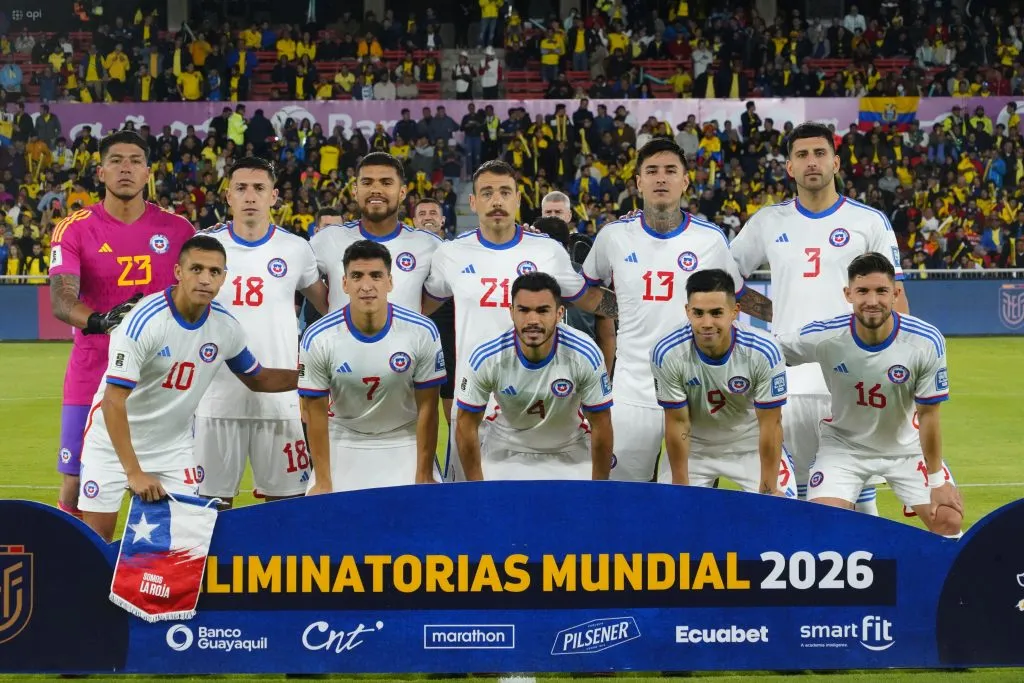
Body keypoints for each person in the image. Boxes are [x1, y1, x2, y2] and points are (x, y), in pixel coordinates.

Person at [730, 122, 908, 515]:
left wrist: (900, 367)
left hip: (853, 375)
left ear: (835, 162)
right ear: (789, 167)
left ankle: (870, 571)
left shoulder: (869, 221)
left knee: (858, 488)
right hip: (789, 376)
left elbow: (896, 298)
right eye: (802, 155)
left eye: (820, 153)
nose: (812, 162)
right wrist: (774, 313)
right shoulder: (768, 222)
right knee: (799, 494)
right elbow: (727, 282)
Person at [78, 235, 300, 541]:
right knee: (96, 540)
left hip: (172, 449)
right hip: (111, 445)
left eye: (214, 272)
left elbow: (259, 378)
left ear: (224, 278)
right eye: (196, 269)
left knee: (183, 545)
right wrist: (134, 472)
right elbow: (113, 403)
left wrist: (310, 375)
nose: (205, 279)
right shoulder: (142, 321)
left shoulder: (226, 328)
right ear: (179, 272)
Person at [422, 159, 616, 482]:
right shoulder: (451, 254)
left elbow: (587, 298)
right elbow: (420, 308)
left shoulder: (548, 251)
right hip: (472, 395)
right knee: (467, 504)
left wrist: (635, 307)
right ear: (472, 202)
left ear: (517, 199)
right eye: (486, 193)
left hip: (534, 394)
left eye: (504, 192)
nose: (496, 201)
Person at [581, 138, 749, 483]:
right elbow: (586, 290)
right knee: (622, 498)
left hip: (695, 392)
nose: (661, 178)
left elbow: (736, 301)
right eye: (652, 171)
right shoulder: (614, 236)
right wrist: (623, 309)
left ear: (685, 181)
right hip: (632, 392)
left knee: (687, 502)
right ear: (638, 181)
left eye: (670, 171)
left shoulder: (710, 239)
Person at [48, 130, 196, 519]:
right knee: (76, 479)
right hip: (93, 369)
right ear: (100, 171)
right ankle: (71, 573)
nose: (125, 168)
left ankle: (151, 574)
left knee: (166, 481)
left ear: (148, 172)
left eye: (134, 161)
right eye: (116, 160)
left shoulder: (179, 230)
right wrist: (100, 321)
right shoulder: (74, 227)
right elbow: (62, 300)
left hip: (160, 376)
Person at [775, 253, 962, 537]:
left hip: (906, 449)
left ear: (896, 293)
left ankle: (939, 581)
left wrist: (937, 482)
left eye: (881, 291)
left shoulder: (925, 341)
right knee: (826, 525)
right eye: (862, 291)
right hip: (843, 447)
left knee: (948, 519)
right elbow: (767, 352)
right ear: (848, 294)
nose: (872, 301)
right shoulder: (826, 336)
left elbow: (929, 416)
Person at [194, 157, 328, 508]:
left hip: (280, 401)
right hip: (214, 398)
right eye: (241, 188)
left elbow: (327, 308)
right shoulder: (204, 246)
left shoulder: (296, 248)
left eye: (259, 188)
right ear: (228, 196)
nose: (250, 196)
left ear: (274, 196)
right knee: (209, 508)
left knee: (287, 508)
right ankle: (215, 567)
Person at [299, 240, 446, 492]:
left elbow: (428, 409)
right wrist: (323, 481)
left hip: (404, 437)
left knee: (421, 521)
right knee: (331, 523)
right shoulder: (318, 337)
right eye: (356, 276)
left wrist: (423, 473)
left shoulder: (422, 331)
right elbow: (314, 414)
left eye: (376, 276)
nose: (366, 286)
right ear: (344, 283)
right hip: (343, 437)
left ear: (390, 281)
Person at [650, 269, 795, 497]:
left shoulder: (764, 351)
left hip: (749, 444)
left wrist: (768, 490)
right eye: (698, 313)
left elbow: (771, 425)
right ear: (687, 312)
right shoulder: (667, 352)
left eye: (717, 313)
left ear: (734, 311)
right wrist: (680, 486)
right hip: (695, 446)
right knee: (674, 517)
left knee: (781, 513)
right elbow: (678, 424)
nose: (707, 323)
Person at [455, 272, 614, 480]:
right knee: (494, 509)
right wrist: (477, 488)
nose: (532, 320)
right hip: (504, 445)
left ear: (559, 313)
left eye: (542, 311)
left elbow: (601, 424)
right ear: (511, 312)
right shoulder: (486, 357)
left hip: (570, 447)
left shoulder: (584, 354)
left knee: (579, 509)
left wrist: (599, 489)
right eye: (524, 310)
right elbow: (465, 424)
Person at [310, 152, 441, 311]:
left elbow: (442, 292)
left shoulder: (429, 244)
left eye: (386, 183)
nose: (376, 190)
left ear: (402, 192)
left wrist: (413, 322)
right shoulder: (327, 239)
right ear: (355, 191)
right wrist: (330, 313)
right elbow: (297, 275)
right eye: (367, 182)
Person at [412, 198, 456, 424]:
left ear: (442, 220)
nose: (427, 216)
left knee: (450, 395)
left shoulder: (455, 252)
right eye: (422, 213)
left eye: (432, 213)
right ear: (413, 221)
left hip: (449, 331)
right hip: (414, 333)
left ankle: (455, 457)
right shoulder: (404, 256)